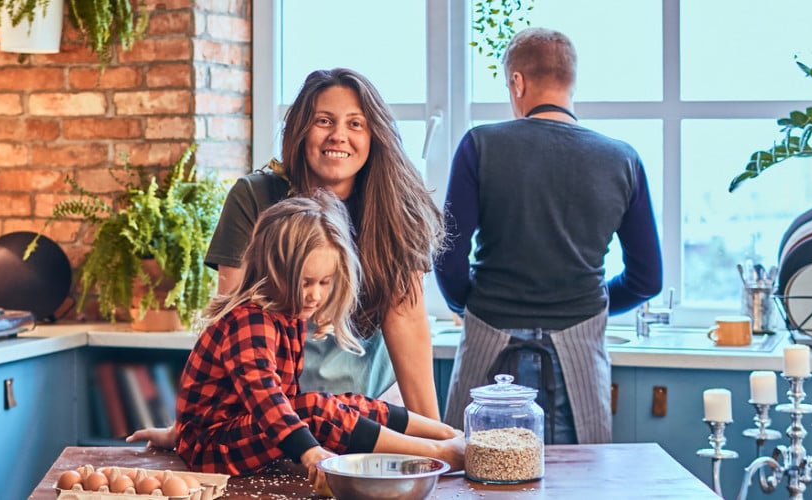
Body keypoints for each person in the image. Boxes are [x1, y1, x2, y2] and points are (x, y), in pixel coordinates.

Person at [129, 67, 445, 448]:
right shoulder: (254, 197)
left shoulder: (396, 208)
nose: (338, 136)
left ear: (374, 134)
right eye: (323, 121)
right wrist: (194, 426)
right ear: (299, 130)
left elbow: (408, 320)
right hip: (268, 413)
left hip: (364, 412)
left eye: (355, 124)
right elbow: (235, 325)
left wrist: (435, 439)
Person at [435, 27, 663, 444]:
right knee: (580, 481)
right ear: (571, 81)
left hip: (490, 344)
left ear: (517, 82)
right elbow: (647, 279)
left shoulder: (480, 145)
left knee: (474, 477)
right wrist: (590, 303)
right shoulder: (622, 159)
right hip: (578, 353)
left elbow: (448, 256)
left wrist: (468, 303)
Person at [175, 192, 464, 489]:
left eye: (325, 282)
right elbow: (265, 398)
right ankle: (438, 455)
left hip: (239, 431)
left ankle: (444, 434)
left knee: (345, 403)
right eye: (305, 282)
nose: (315, 294)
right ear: (274, 268)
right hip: (210, 447)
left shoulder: (289, 317)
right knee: (314, 411)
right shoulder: (250, 321)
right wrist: (310, 452)